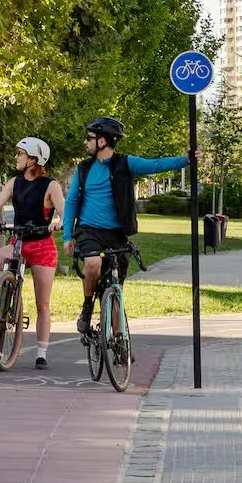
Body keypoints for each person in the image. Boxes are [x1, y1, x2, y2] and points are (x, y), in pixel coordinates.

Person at [62, 116, 190, 338]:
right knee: (92, 263)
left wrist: (185, 160)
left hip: (117, 233)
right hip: (88, 230)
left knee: (116, 290)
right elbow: (72, 202)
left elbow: (155, 165)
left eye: (90, 138)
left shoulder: (125, 163)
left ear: (102, 141)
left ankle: (120, 341)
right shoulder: (83, 169)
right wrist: (67, 236)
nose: (86, 142)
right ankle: (87, 306)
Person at [0, 138, 66, 369]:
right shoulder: (14, 182)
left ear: (33, 159)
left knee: (42, 304)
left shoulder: (51, 186)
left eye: (20, 154)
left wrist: (59, 222)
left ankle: (41, 353)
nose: (16, 158)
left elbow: (64, 211)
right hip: (18, 241)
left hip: (42, 246)